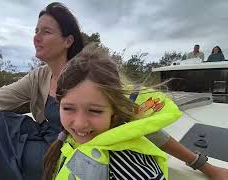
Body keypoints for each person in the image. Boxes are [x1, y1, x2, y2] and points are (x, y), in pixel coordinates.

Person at [0, 2, 227, 180]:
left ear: (68, 40)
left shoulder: (99, 75)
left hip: (72, 155)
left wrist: (205, 165)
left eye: (45, 31)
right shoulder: (38, 77)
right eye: (35, 31)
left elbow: (146, 126)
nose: (36, 37)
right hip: (43, 144)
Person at [43, 43, 182, 180]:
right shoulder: (70, 142)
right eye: (68, 108)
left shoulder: (131, 169)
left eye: (94, 111)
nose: (79, 123)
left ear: (114, 112)